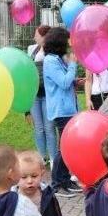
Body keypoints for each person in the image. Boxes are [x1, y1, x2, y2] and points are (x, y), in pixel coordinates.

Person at [42, 27, 81, 197]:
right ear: (59, 42)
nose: (69, 43)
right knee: (64, 147)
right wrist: (73, 64)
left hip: (68, 108)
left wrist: (75, 81)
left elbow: (65, 82)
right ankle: (57, 184)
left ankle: (65, 179)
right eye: (67, 40)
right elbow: (64, 83)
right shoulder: (51, 61)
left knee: (68, 146)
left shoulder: (57, 59)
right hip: (61, 110)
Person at [27, 25, 58, 166]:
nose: (34, 37)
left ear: (44, 36)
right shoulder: (31, 49)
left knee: (49, 127)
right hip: (34, 95)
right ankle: (41, 156)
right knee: (38, 127)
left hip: (48, 95)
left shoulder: (53, 52)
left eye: (37, 35)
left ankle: (53, 157)